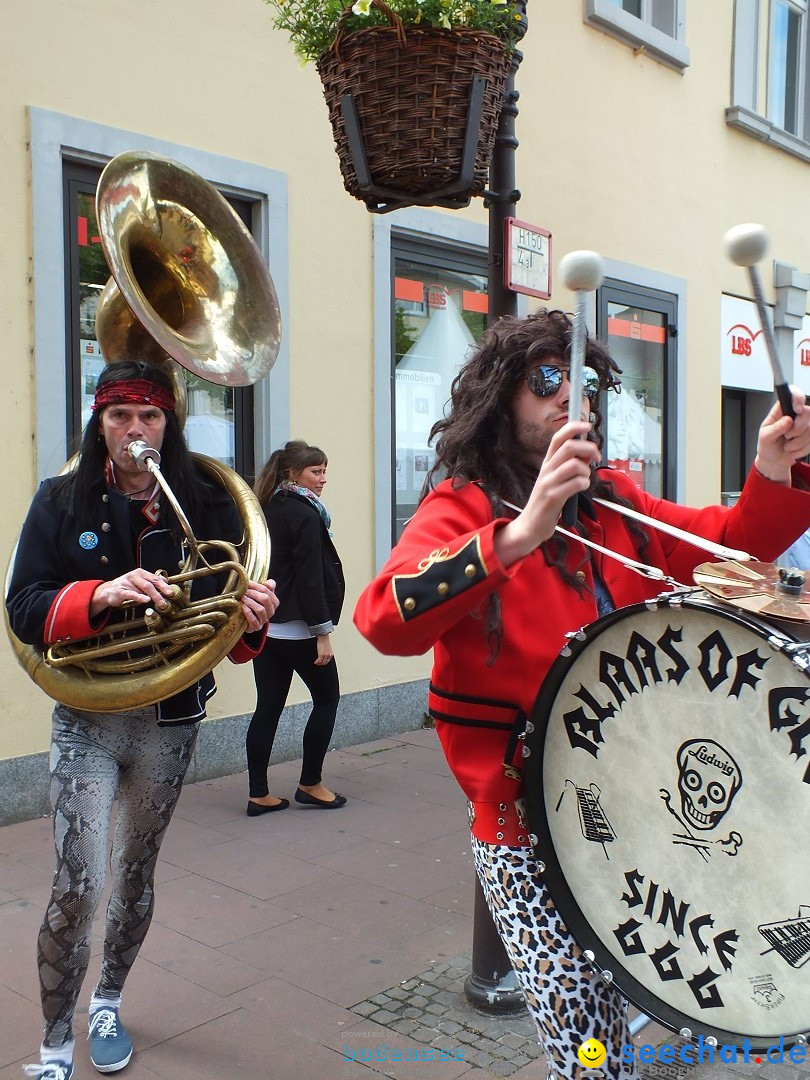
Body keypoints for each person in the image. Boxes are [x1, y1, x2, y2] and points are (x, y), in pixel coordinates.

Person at [353, 309, 810, 1080]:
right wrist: (518, 534)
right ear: (503, 398)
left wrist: (773, 467)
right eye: (548, 380)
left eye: (586, 384)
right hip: (524, 832)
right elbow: (382, 616)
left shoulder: (616, 502)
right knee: (583, 1038)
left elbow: (727, 549)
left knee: (655, 982)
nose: (571, 398)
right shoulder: (461, 506)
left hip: (636, 812)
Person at [6, 360, 279, 1080]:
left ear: (170, 425)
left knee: (135, 875)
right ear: (100, 423)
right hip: (87, 719)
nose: (135, 430)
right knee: (78, 883)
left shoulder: (210, 505)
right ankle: (54, 1042)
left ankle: (109, 999)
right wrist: (100, 595)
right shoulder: (60, 501)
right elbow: (25, 610)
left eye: (150, 416)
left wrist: (251, 618)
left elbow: (230, 630)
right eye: (121, 415)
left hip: (170, 721)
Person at [245, 439, 346, 816]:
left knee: (267, 708)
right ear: (293, 473)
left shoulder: (266, 506)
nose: (322, 480)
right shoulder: (304, 513)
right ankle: (311, 783)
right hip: (301, 631)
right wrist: (323, 633)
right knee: (327, 699)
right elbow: (310, 577)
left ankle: (259, 794)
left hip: (267, 628)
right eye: (315, 472)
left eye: (324, 472)